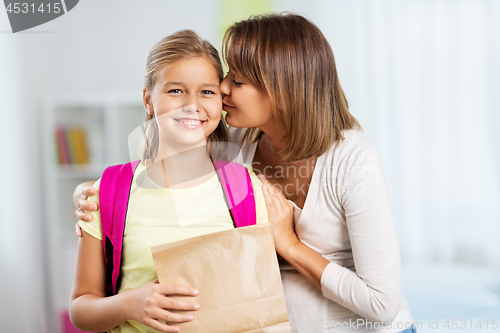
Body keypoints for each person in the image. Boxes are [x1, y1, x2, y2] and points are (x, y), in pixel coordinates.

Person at [75, 13, 416, 333]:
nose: (222, 89)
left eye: (236, 80)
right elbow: (169, 160)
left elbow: (381, 303)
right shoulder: (239, 142)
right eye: (224, 78)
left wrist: (290, 245)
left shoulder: (353, 159)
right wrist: (95, 192)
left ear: (281, 91)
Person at [69, 30, 269, 333]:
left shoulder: (247, 188)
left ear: (221, 101)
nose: (192, 105)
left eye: (207, 92)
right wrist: (129, 303)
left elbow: (261, 294)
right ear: (149, 99)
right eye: (175, 91)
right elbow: (81, 308)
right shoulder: (106, 193)